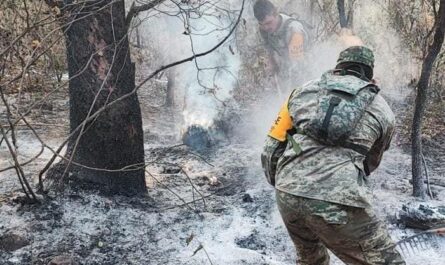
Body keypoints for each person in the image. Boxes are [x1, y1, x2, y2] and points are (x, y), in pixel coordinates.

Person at [261, 46, 406, 265]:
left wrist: (286, 184)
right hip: (338, 200)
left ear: (338, 67)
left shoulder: (301, 92)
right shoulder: (382, 109)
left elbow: (271, 148)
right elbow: (370, 163)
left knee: (311, 260)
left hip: (287, 192)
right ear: (369, 73)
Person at [253, 0, 310, 90]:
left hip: (306, 69)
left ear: (276, 13)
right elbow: (269, 49)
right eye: (262, 24)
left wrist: (283, 84)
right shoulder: (263, 29)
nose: (266, 28)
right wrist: (272, 68)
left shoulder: (294, 30)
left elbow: (297, 67)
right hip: (288, 65)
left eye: (268, 23)